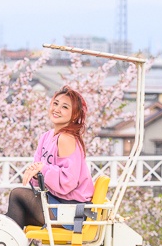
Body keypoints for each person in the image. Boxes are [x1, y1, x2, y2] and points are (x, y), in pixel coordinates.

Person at [5, 85, 95, 228]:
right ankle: (8, 245)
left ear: (75, 115)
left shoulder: (66, 138)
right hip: (56, 203)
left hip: (72, 210)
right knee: (15, 213)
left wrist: (42, 169)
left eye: (65, 107)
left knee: (17, 195)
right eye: (55, 103)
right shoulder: (46, 137)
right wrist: (36, 174)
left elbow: (68, 183)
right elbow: (37, 173)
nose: (57, 109)